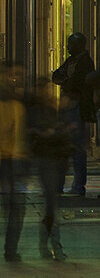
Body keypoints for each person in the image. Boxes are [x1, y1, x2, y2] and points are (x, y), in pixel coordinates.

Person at [27, 81, 74, 261]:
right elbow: (39, 134)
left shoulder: (53, 110)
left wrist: (57, 131)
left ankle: (47, 244)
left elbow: (58, 132)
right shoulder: (36, 111)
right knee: (52, 205)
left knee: (52, 205)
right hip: (46, 161)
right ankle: (55, 246)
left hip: (56, 161)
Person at [51, 31, 95, 195]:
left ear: (80, 45)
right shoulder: (72, 60)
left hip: (76, 107)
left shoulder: (84, 62)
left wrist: (65, 81)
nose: (68, 47)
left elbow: (75, 83)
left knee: (76, 147)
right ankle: (62, 185)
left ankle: (78, 185)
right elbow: (56, 76)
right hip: (67, 107)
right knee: (65, 146)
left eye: (71, 44)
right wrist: (64, 80)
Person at [0, 70, 26, 262]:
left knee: (2, 205)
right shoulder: (18, 107)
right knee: (15, 207)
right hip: (13, 160)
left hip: (0, 158)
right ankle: (9, 250)